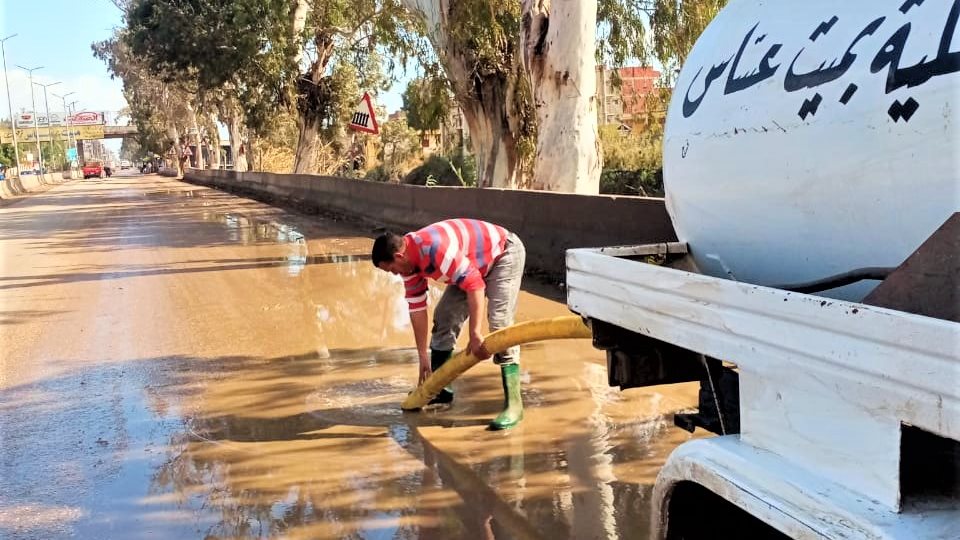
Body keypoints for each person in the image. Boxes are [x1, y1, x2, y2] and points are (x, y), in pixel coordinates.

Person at [372, 219, 527, 430]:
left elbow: (475, 285)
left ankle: (514, 404)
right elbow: (417, 310)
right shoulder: (410, 266)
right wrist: (422, 357)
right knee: (444, 317)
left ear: (399, 256)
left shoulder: (435, 249)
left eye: (393, 270)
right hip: (472, 264)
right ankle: (441, 390)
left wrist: (475, 333)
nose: (396, 274)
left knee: (500, 323)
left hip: (503, 253)